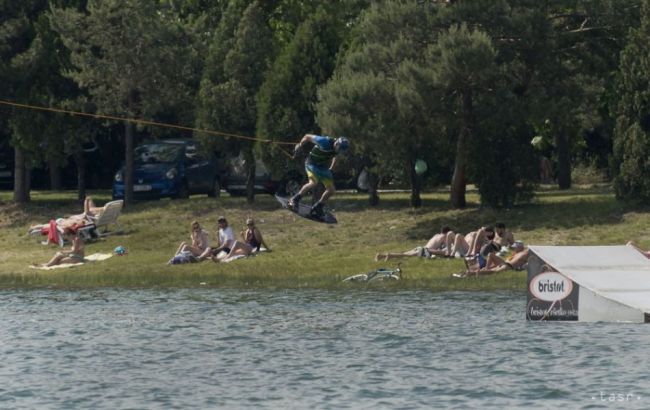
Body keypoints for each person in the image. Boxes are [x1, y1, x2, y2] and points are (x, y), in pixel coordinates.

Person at [288, 133, 350, 217]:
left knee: (331, 190)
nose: (339, 151)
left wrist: (332, 167)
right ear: (337, 143)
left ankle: (318, 207)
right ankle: (294, 199)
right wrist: (300, 145)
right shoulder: (324, 141)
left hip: (323, 167)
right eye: (339, 149)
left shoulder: (338, 149)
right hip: (311, 163)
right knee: (313, 183)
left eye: (341, 151)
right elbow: (307, 136)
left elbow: (336, 156)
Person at [375, 226, 454, 261]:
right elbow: (447, 248)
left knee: (405, 253)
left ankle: (380, 256)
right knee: (406, 255)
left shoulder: (437, 235)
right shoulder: (444, 237)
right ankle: (390, 255)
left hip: (421, 247)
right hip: (424, 250)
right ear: (447, 232)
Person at [463, 245, 530, 277]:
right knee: (491, 256)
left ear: (521, 247)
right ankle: (482, 270)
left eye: (516, 247)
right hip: (505, 264)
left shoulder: (525, 254)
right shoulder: (517, 253)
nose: (514, 249)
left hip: (508, 266)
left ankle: (473, 273)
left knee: (493, 271)